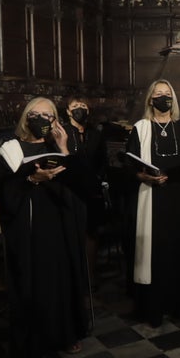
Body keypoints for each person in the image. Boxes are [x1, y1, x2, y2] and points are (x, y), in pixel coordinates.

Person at [0, 97, 90, 358]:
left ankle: (65, 332)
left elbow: (83, 184)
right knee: (33, 281)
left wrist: (63, 148)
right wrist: (30, 179)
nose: (41, 119)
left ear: (55, 121)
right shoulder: (11, 148)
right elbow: (5, 192)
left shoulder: (58, 144)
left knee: (61, 277)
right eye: (35, 114)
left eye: (47, 115)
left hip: (59, 222)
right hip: (28, 225)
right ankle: (35, 340)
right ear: (26, 117)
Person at [126, 80, 180, 327]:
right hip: (153, 197)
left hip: (179, 198)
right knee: (155, 252)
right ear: (151, 100)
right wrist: (144, 176)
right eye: (158, 94)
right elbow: (131, 166)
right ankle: (153, 308)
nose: (163, 98)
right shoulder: (141, 128)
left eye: (167, 94)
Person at [63, 95, 109, 295]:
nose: (79, 109)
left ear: (88, 111)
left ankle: (90, 275)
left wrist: (98, 180)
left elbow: (102, 160)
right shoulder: (62, 132)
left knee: (91, 232)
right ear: (68, 111)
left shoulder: (95, 134)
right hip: (69, 189)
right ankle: (72, 275)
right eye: (75, 106)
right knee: (71, 232)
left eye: (83, 106)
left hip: (92, 189)